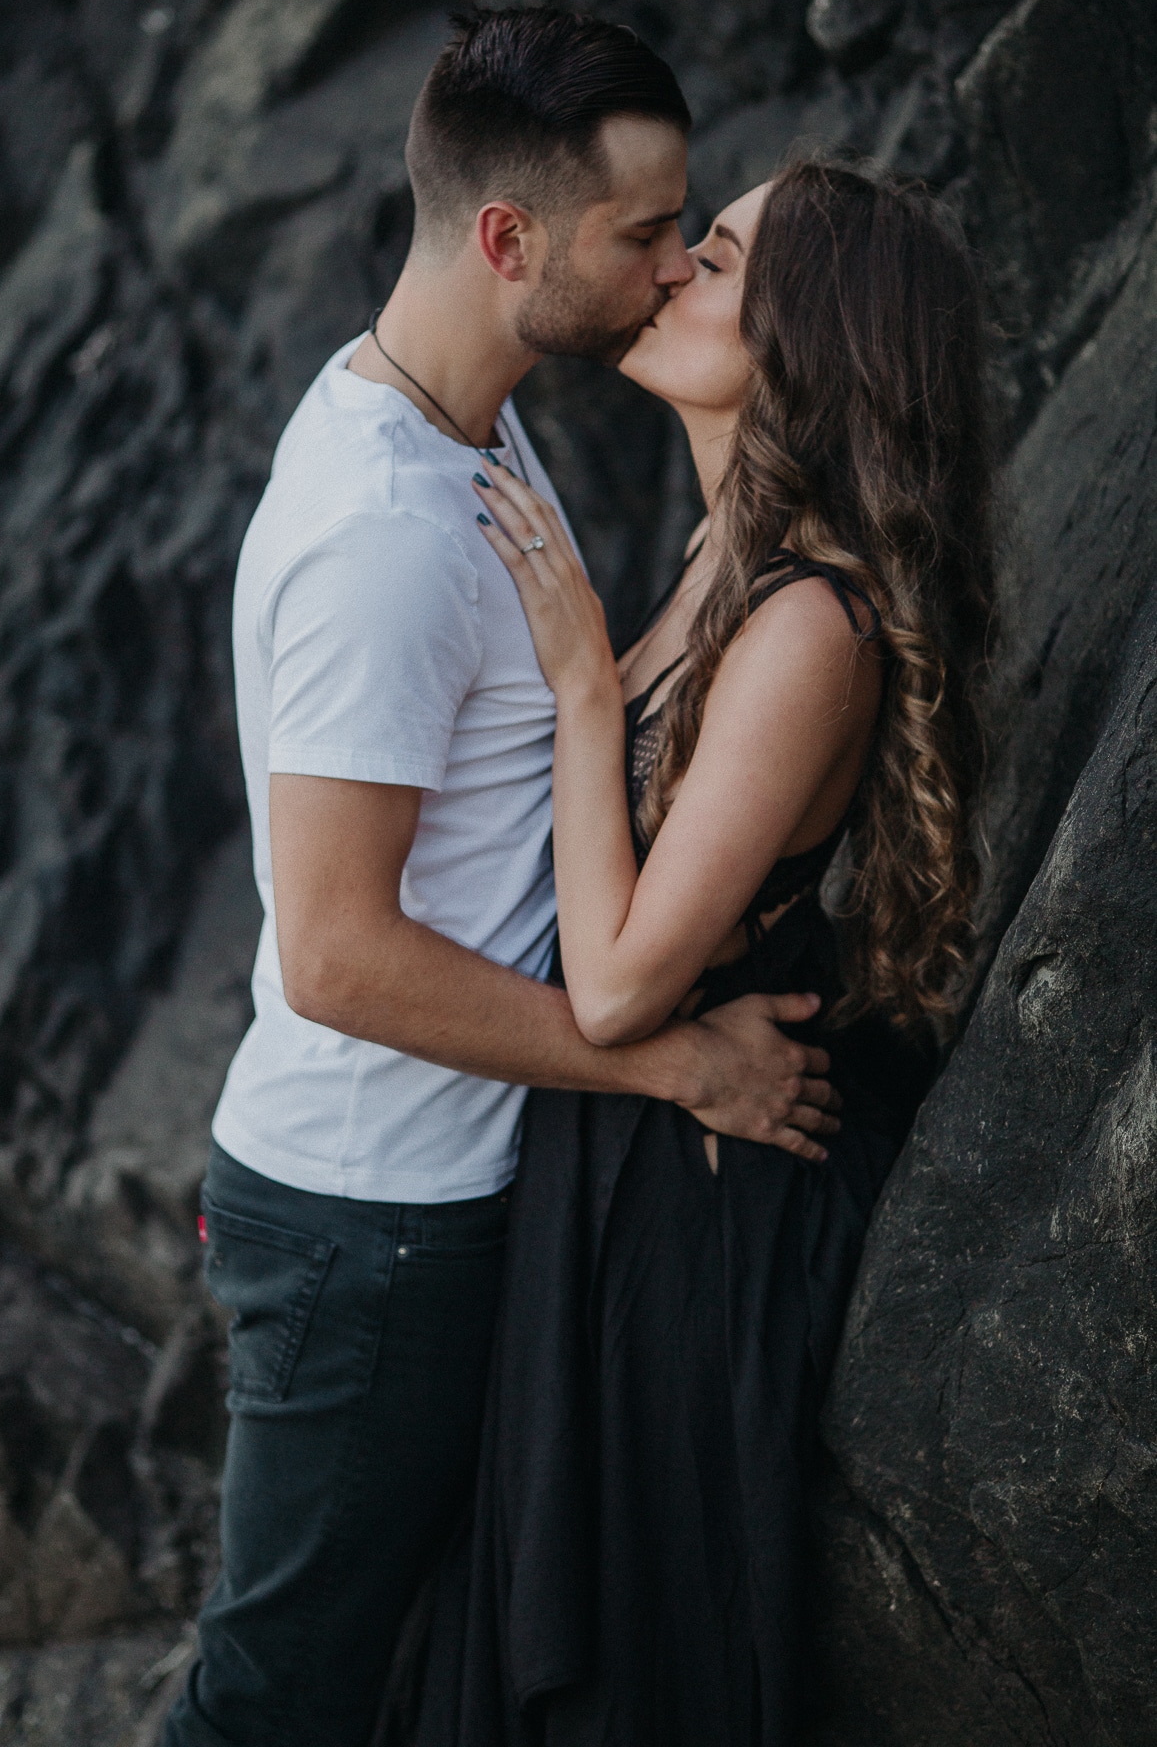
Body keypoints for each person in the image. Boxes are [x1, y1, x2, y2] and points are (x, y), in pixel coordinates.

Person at [161, 12, 843, 1747]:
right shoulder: (387, 532)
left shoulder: (462, 424)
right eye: (643, 235)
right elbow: (332, 956)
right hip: (367, 1222)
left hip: (440, 1196)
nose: (676, 264)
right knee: (275, 1699)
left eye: (692, 230)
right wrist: (671, 1057)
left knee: (401, 1674)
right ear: (504, 240)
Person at [411, 157, 995, 1747]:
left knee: (626, 1674)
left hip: (695, 1216)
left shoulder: (810, 626)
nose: (668, 275)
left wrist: (584, 689)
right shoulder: (707, 570)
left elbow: (614, 984)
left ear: (807, 339)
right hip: (618, 1153)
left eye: (715, 259)